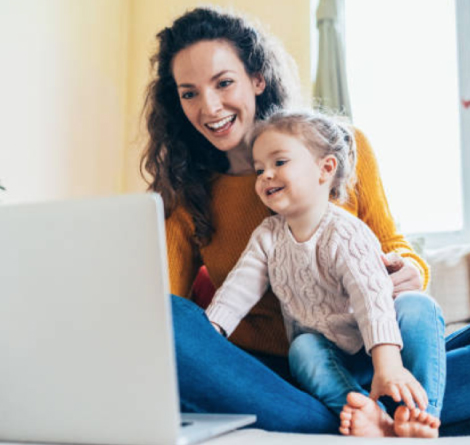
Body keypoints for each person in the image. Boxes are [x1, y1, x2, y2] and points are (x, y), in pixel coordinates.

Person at [140, 6, 470, 436]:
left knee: (419, 327)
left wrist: (408, 269)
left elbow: (394, 243)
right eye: (189, 93)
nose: (210, 106)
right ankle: (361, 417)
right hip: (275, 376)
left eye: (224, 83)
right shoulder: (187, 191)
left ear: (257, 78)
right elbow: (164, 315)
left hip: (378, 352)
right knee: (166, 318)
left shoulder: (343, 148)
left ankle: (382, 413)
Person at [205, 110, 445, 438]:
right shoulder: (267, 236)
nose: (265, 176)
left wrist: (387, 365)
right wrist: (209, 330)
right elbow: (239, 288)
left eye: (279, 163)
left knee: (419, 306)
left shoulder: (346, 233)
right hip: (329, 358)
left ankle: (419, 414)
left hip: (382, 347)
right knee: (303, 348)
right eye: (259, 169)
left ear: (325, 168)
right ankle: (370, 415)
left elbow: (371, 298)